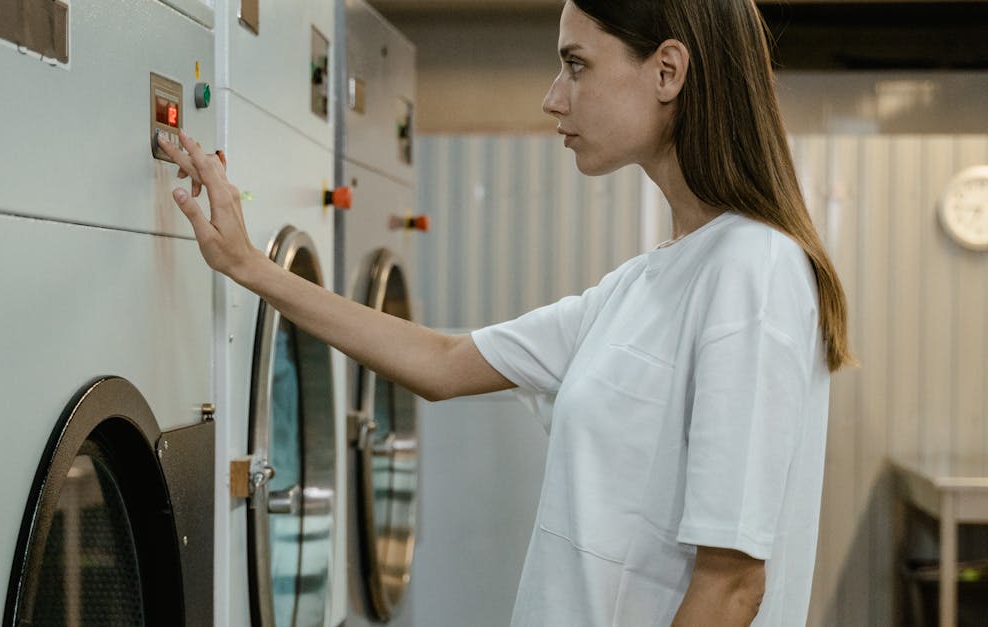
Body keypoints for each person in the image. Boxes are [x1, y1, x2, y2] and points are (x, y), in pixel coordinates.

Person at [157, 0, 853, 624]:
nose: (554, 98)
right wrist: (248, 266)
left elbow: (732, 586)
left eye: (576, 65)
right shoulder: (646, 283)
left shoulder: (752, 269)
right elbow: (443, 361)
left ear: (668, 71)